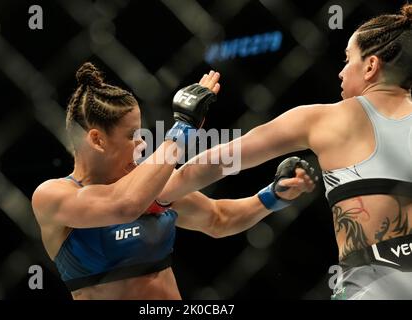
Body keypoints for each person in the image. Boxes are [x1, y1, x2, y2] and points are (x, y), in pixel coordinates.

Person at [157, 4, 412, 300]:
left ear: (370, 66)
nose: (341, 72)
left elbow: (222, 160)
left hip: (374, 286)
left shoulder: (325, 119)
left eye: (348, 59)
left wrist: (157, 195)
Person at [31, 62, 316, 300]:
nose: (142, 142)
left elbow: (218, 218)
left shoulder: (150, 185)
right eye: (132, 135)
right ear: (97, 139)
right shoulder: (53, 196)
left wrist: (272, 196)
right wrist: (181, 129)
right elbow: (123, 205)